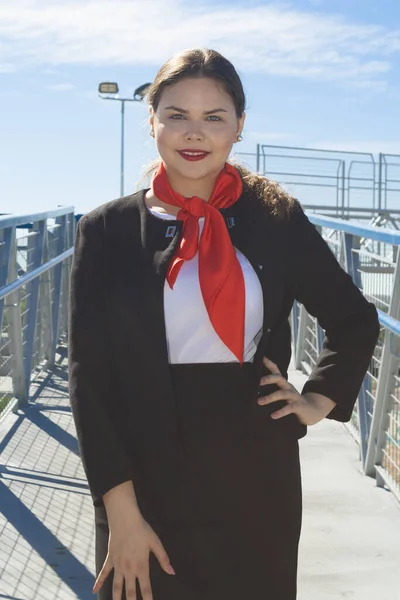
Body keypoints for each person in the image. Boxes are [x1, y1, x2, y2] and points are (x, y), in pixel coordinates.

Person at [68, 48, 380, 600]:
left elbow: (353, 318)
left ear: (239, 126)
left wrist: (316, 400)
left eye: (214, 117)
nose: (195, 132)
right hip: (143, 480)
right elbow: (90, 379)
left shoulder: (276, 219)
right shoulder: (108, 230)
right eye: (176, 114)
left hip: (255, 477)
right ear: (152, 122)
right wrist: (120, 512)